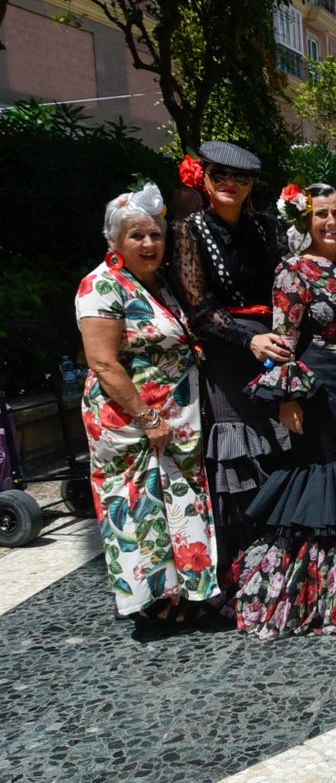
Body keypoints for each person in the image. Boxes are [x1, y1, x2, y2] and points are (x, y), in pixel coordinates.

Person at [235, 184, 336, 638]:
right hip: (319, 385)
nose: (331, 222)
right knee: (320, 472)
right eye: (321, 214)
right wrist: (287, 398)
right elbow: (283, 339)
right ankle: (317, 588)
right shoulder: (293, 271)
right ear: (306, 220)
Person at [77, 185, 219, 622]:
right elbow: (103, 362)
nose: (149, 243)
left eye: (155, 234)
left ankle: (184, 594)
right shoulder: (101, 284)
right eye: (136, 236)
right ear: (114, 241)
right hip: (131, 421)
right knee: (140, 507)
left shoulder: (158, 283)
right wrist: (148, 417)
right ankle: (152, 603)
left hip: (172, 423)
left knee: (174, 502)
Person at [172, 141, 290, 582]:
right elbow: (199, 308)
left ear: (252, 184)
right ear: (203, 177)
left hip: (276, 350)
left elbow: (287, 286)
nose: (230, 183)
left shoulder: (269, 227)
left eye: (241, 177)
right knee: (238, 458)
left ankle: (284, 562)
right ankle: (244, 572)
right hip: (226, 356)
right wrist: (249, 339)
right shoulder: (188, 231)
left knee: (283, 448)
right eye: (219, 174)